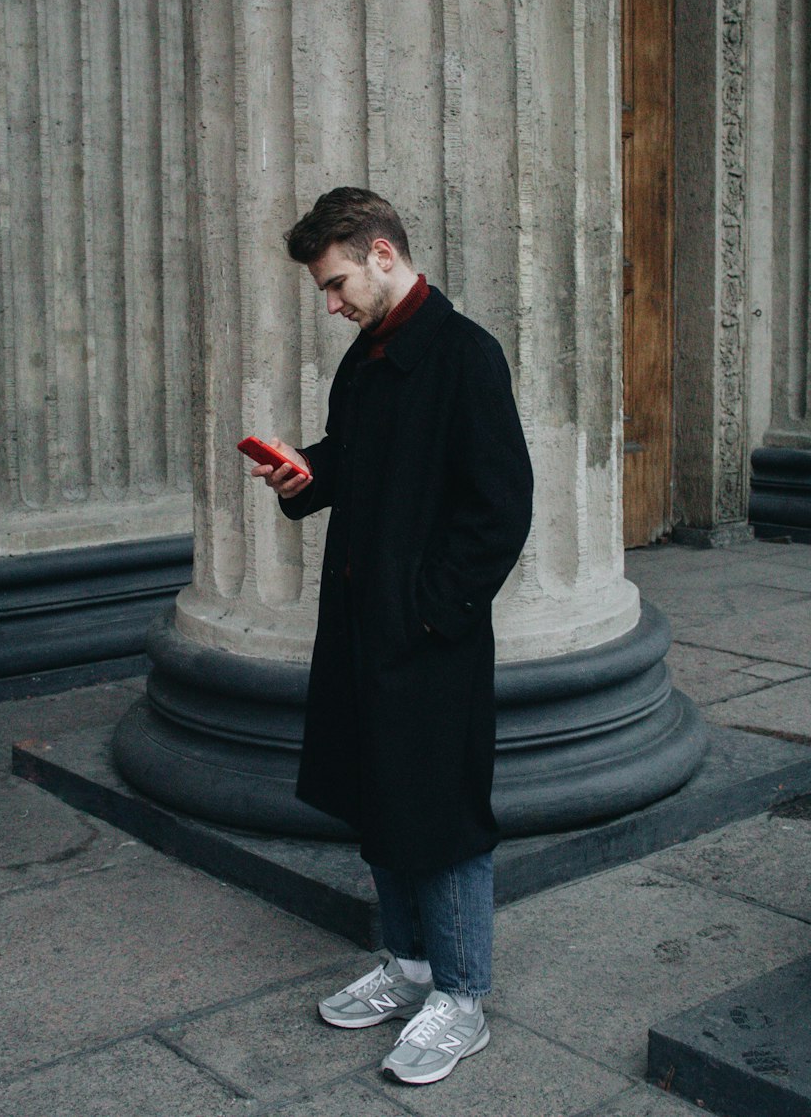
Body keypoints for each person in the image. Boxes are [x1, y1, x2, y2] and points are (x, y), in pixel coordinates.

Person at [250, 188, 533, 1085]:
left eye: (335, 284)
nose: (329, 303)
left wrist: (429, 612)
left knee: (442, 815)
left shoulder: (464, 354)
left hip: (427, 637)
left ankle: (461, 998)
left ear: (381, 253)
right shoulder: (368, 358)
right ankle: (410, 968)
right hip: (366, 628)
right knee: (383, 796)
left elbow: (501, 510)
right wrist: (307, 474)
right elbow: (354, 454)